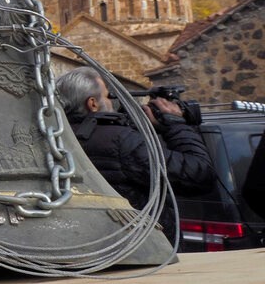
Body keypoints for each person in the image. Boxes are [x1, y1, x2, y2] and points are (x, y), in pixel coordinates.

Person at [56, 67, 214, 241]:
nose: (111, 103)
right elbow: (198, 174)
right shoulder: (121, 140)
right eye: (108, 97)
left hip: (85, 242)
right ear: (92, 103)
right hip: (142, 245)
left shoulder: (56, 138)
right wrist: (176, 125)